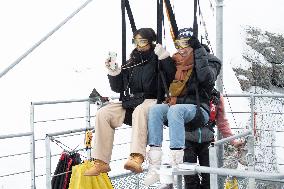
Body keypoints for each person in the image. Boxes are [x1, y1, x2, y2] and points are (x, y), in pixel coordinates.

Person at [84, 28, 176, 176]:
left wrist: (164, 57)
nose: (139, 45)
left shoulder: (157, 59)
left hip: (153, 100)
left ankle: (137, 156)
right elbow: (118, 87)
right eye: (136, 41)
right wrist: (114, 71)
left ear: (151, 42)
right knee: (104, 112)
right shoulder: (132, 61)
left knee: (140, 110)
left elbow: (172, 76)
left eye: (143, 41)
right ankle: (101, 161)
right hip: (133, 100)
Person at [144, 28, 222, 186]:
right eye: (178, 44)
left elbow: (206, 78)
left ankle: (176, 160)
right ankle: (154, 163)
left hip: (199, 110)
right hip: (181, 113)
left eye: (186, 44)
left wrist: (198, 51)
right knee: (156, 110)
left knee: (208, 176)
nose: (182, 48)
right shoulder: (177, 63)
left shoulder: (211, 61)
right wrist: (162, 58)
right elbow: (166, 78)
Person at [183, 92, 244, 189]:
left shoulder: (216, 96)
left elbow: (222, 121)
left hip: (207, 142)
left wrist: (233, 141)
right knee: (190, 180)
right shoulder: (187, 90)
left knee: (209, 179)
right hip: (187, 141)